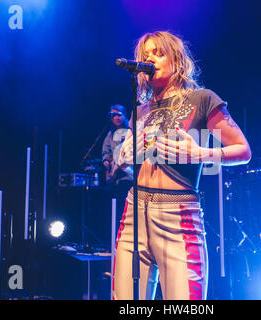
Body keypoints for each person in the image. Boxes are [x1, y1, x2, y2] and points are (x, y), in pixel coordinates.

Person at [111, 31, 251, 300]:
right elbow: (128, 159)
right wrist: (125, 156)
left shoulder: (202, 99)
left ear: (177, 59)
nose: (150, 59)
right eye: (145, 55)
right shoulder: (139, 111)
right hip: (135, 211)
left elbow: (243, 151)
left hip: (178, 214)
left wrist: (199, 153)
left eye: (158, 53)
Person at [101, 104, 133, 217]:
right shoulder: (110, 134)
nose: (116, 118)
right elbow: (106, 152)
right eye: (114, 115)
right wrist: (106, 161)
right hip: (115, 177)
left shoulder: (131, 132)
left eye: (119, 115)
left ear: (125, 116)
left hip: (128, 176)